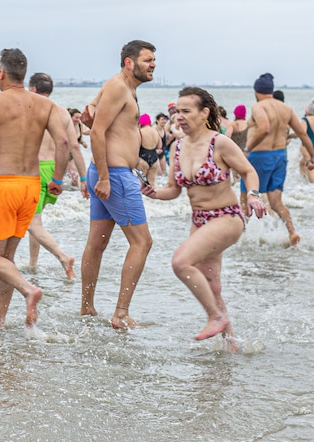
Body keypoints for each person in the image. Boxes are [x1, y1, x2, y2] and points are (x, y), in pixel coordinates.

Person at [141, 87, 268, 348]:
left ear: (204, 113)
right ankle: (231, 345)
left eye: (186, 111)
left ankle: (215, 317)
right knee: (212, 285)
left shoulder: (219, 142)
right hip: (199, 220)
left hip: (227, 217)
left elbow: (248, 171)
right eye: (177, 111)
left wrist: (253, 196)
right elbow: (173, 190)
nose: (179, 116)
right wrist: (154, 193)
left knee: (180, 262)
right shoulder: (177, 147)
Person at [0, 50, 69, 328]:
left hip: (4, 186)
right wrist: (58, 179)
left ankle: (29, 290)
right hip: (31, 187)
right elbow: (63, 142)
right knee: (7, 258)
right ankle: (0, 317)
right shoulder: (45, 105)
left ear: (1, 72)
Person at [78, 40, 156, 329]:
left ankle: (87, 308)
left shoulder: (121, 87)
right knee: (142, 242)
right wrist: (105, 177)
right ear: (129, 62)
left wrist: (101, 173)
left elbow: (89, 115)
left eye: (154, 60)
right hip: (114, 176)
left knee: (97, 243)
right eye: (147, 60)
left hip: (108, 172)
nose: (153, 65)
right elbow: (97, 132)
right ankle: (121, 313)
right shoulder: (118, 86)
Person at [241, 72, 314, 246]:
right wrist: (313, 155)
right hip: (280, 156)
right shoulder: (286, 108)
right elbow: (303, 134)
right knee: (275, 202)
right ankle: (292, 232)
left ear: (256, 91)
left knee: (245, 199)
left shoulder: (258, 106)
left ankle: (241, 236)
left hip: (259, 156)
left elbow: (264, 128)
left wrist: (247, 149)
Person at [25, 72, 86, 279]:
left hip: (35, 169)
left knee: (31, 223)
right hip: (53, 169)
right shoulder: (62, 112)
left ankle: (63, 257)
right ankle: (33, 264)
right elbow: (74, 147)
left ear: (33, 89)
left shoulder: (29, 109)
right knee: (37, 221)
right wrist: (83, 179)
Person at [138, 113, 162, 183]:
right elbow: (160, 146)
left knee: (140, 183)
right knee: (152, 184)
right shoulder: (155, 131)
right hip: (154, 158)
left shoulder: (140, 131)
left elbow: (137, 146)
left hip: (143, 157)